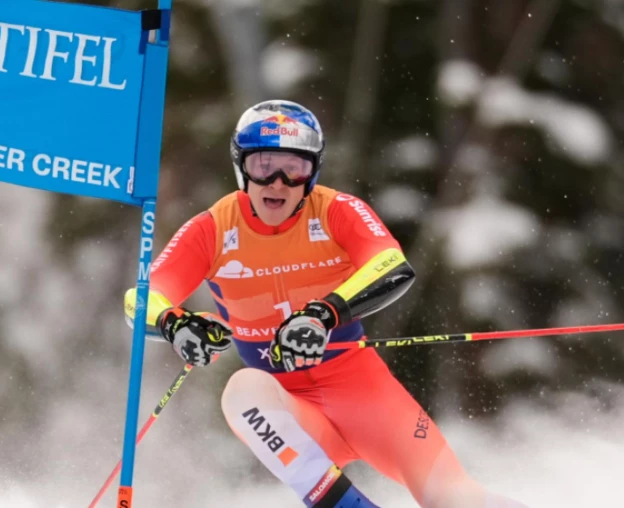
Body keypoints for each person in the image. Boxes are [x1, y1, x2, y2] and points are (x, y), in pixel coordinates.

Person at [124, 100, 525, 508]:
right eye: (263, 165)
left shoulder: (337, 211)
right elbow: (141, 297)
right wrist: (176, 324)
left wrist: (322, 313)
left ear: (312, 172)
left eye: (294, 168)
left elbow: (391, 265)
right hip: (290, 411)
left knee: (455, 497)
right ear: (241, 167)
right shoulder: (212, 229)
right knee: (242, 390)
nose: (278, 182)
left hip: (363, 394)